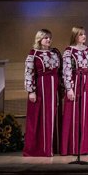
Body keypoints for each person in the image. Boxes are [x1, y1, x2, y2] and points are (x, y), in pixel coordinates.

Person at [24, 29, 61, 157]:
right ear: (39, 39)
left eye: (50, 38)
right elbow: (29, 73)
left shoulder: (55, 53)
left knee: (51, 116)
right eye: (45, 38)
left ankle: (49, 148)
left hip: (53, 87)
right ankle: (38, 149)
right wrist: (31, 91)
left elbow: (59, 72)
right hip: (41, 88)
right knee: (39, 117)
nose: (48, 40)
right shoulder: (33, 54)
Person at [60, 26, 88, 156]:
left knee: (85, 114)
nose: (83, 37)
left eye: (84, 34)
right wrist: (69, 88)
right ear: (75, 36)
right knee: (73, 114)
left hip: (86, 82)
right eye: (80, 34)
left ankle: (84, 148)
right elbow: (66, 70)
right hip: (75, 82)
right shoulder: (69, 51)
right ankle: (72, 147)